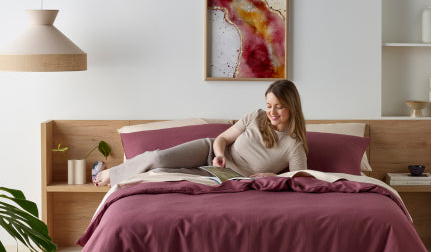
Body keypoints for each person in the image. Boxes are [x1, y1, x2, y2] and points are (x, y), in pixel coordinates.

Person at [94, 79, 308, 187]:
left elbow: (300, 181)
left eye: (279, 106)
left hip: (230, 178)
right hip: (211, 153)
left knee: (162, 176)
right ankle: (113, 174)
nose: (272, 112)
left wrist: (273, 177)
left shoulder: (293, 146)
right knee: (158, 158)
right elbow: (223, 139)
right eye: (269, 105)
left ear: (291, 107)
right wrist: (220, 154)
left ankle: (126, 180)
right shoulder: (257, 116)